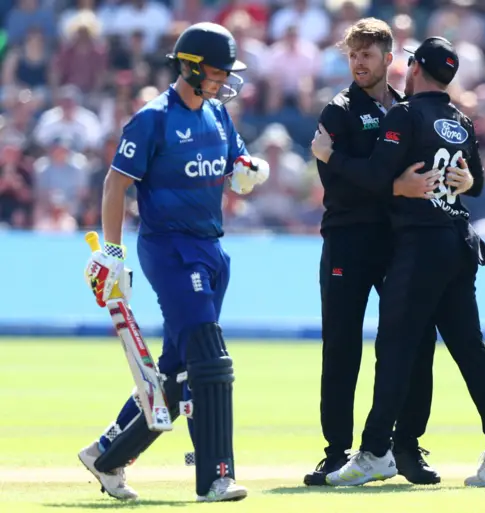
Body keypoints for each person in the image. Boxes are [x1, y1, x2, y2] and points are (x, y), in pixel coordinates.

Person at [312, 36, 485, 488]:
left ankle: (376, 452)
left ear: (410, 67)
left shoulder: (404, 114)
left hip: (419, 245)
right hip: (457, 242)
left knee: (395, 348)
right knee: (469, 349)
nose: (358, 62)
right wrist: (465, 182)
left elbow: (374, 174)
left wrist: (332, 157)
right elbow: (478, 181)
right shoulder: (461, 119)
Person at [80, 22, 270, 502]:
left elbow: (236, 165)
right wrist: (114, 252)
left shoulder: (217, 114)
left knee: (180, 368)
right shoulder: (153, 118)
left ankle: (106, 455)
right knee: (211, 358)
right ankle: (215, 476)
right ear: (189, 67)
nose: (225, 78)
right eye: (217, 70)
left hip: (211, 248)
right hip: (168, 248)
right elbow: (115, 184)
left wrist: (248, 173)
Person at [305, 18, 447, 487]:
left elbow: (420, 173)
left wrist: (402, 186)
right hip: (348, 238)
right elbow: (339, 186)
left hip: (400, 241)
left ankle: (405, 446)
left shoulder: (409, 110)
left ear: (389, 58)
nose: (359, 63)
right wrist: (396, 186)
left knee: (413, 342)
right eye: (353, 55)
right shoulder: (338, 110)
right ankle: (336, 453)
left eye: (367, 54)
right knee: (342, 346)